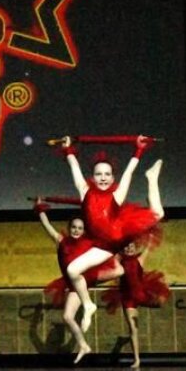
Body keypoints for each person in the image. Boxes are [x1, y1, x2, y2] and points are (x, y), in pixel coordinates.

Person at [59, 135, 164, 334]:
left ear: (112, 178)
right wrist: (68, 150)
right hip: (102, 246)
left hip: (120, 235)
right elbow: (74, 168)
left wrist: (139, 150)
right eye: (99, 174)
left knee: (158, 214)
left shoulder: (117, 195)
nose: (103, 177)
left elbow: (128, 173)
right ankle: (88, 305)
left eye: (107, 174)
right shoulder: (85, 192)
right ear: (92, 177)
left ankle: (151, 178)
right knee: (72, 270)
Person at [35, 198, 123, 364]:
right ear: (69, 228)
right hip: (75, 284)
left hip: (88, 276)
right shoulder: (61, 241)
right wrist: (40, 209)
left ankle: (89, 305)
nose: (76, 230)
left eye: (80, 228)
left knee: (119, 270)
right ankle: (83, 346)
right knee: (67, 317)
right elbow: (46, 225)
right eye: (74, 227)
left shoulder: (89, 242)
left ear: (84, 230)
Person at [102, 233, 169, 369]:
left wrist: (151, 235)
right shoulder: (119, 260)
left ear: (135, 247)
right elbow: (111, 256)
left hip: (142, 294)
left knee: (161, 301)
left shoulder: (139, 260)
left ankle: (155, 303)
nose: (129, 249)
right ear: (123, 249)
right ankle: (137, 359)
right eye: (126, 247)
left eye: (131, 246)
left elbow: (148, 247)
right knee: (133, 328)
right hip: (128, 298)